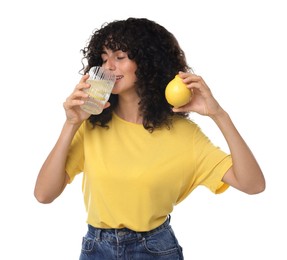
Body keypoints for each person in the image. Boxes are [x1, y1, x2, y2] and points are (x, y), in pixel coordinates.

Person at [34, 17, 265, 260]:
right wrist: (71, 124)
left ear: (147, 62)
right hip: (96, 249)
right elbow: (44, 194)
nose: (108, 66)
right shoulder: (90, 126)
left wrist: (219, 115)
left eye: (119, 57)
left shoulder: (185, 135)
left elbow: (253, 184)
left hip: (154, 250)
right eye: (103, 58)